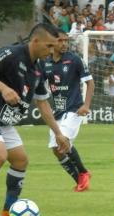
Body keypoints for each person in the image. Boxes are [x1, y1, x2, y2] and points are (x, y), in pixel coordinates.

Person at [0, 23, 70, 216]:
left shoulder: (38, 69)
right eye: (49, 46)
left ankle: (7, 213)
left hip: (4, 122)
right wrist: (4, 88)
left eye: (53, 47)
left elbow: (42, 103)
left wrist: (58, 133)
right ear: (35, 41)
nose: (51, 51)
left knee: (21, 160)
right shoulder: (10, 53)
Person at [42, 30, 95, 192]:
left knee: (63, 141)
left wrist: (85, 105)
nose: (64, 43)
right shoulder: (46, 63)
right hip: (57, 111)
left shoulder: (74, 60)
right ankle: (79, 180)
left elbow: (90, 83)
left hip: (74, 110)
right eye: (60, 40)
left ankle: (84, 173)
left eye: (66, 40)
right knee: (56, 150)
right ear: (52, 42)